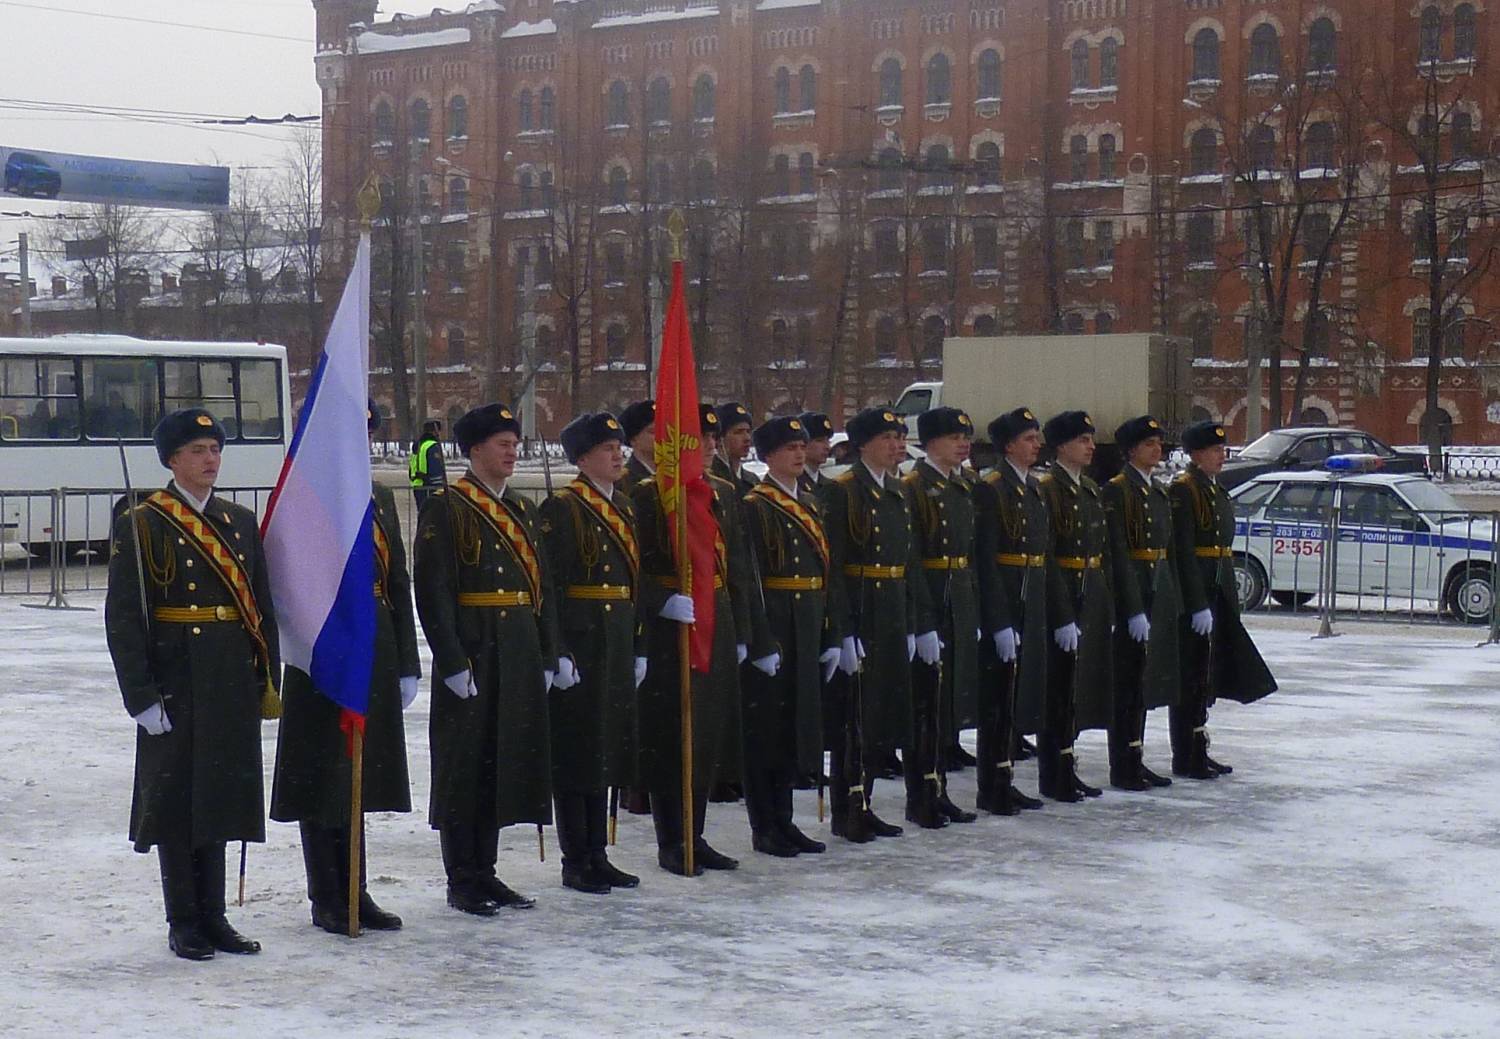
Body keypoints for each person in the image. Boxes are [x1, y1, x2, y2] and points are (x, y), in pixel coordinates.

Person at [104, 407, 279, 961]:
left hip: (228, 674)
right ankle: (184, 919)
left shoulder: (238, 521)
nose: (210, 460)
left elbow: (261, 607)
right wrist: (140, 695)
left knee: (221, 796)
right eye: (198, 451)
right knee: (179, 803)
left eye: (215, 449)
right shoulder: (143, 520)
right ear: (173, 460)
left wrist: (263, 675)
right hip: (176, 676)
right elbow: (125, 616)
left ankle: (216, 916)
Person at [269, 400, 416, 935]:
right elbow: (285, 582)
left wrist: (405, 660)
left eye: (367, 434)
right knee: (322, 773)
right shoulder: (302, 496)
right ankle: (326, 894)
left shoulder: (377, 496)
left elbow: (396, 580)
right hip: (321, 648)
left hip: (371, 645)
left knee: (359, 774)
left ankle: (356, 887)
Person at [413, 403, 565, 915]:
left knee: (501, 758)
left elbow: (542, 585)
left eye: (515, 443)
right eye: (502, 443)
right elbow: (433, 590)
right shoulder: (449, 507)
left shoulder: (521, 510)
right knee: (465, 762)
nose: (512, 452)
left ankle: (488, 871)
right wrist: (451, 659)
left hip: (517, 647)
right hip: (475, 647)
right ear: (475, 449)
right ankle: (462, 876)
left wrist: (548, 650)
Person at [632, 404, 758, 875]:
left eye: (711, 440)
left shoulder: (721, 492)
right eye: (697, 440)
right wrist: (662, 598)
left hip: (716, 617)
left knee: (706, 733)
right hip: (673, 626)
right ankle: (673, 838)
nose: (707, 447)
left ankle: (696, 832)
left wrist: (742, 628)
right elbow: (636, 566)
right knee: (674, 733)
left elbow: (738, 569)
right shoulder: (649, 496)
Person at [539, 412, 645, 894]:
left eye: (619, 447)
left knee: (606, 747)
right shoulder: (564, 507)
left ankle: (598, 852)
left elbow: (634, 583)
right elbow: (553, 585)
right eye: (607, 449)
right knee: (578, 752)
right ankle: (576, 856)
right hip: (582, 643)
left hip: (617, 638)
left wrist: (639, 642)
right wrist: (557, 650)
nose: (618, 455)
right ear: (582, 458)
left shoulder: (622, 505)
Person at [821, 406, 936, 842]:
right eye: (888, 437)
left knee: (882, 712)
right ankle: (847, 806)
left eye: (900, 436)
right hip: (863, 610)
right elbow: (835, 565)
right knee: (856, 715)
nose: (897, 445)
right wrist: (844, 629)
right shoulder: (844, 491)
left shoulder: (898, 491)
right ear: (864, 444)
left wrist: (915, 621)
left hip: (892, 611)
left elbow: (907, 561)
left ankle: (863, 801)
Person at [739, 416, 836, 857]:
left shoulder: (812, 502)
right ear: (768, 456)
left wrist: (832, 630)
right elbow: (751, 577)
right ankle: (766, 824)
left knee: (797, 723)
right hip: (776, 621)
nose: (800, 454)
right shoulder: (756, 505)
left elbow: (826, 572)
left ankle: (786, 821)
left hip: (809, 618)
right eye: (789, 448)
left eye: (802, 446)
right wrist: (758, 637)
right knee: (767, 731)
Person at [1169, 420, 1278, 778]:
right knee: (1191, 674)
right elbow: (1184, 550)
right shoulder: (1184, 491)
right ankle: (1186, 753)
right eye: (1215, 450)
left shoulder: (1213, 490)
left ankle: (1200, 746)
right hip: (1198, 590)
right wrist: (1196, 601)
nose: (1222, 455)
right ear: (1197, 454)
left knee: (1209, 672)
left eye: (1222, 449)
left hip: (1218, 588)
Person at [901, 407, 981, 829]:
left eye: (965, 436)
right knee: (924, 705)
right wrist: (922, 621)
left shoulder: (963, 484)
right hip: (931, 596)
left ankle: (939, 786)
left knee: (946, 701)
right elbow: (911, 558)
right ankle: (921, 794)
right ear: (931, 442)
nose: (963, 443)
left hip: (959, 597)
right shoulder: (913, 486)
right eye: (954, 437)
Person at [973, 408, 1050, 815]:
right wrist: (998, 620)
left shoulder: (1032, 487)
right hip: (1006, 599)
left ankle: (1006, 776)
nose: (1036, 445)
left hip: (1030, 599)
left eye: (1037, 438)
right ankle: (992, 783)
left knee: (1017, 695)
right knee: (997, 698)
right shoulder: (992, 488)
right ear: (1008, 446)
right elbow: (986, 558)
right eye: (1028, 439)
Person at [1036, 411, 1112, 802]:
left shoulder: (1088, 488)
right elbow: (1047, 553)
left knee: (1077, 684)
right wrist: (1062, 611)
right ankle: (1054, 771)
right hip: (1063, 590)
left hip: (1088, 589)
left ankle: (1067, 763)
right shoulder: (1047, 489)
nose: (1091, 446)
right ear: (1062, 445)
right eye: (1083, 439)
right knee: (1058, 685)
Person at [1101, 416, 1180, 792]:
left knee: (1145, 682)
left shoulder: (1157, 491)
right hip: (1134, 589)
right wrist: (1130, 607)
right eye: (1149, 444)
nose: (1157, 449)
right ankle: (1124, 762)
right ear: (1132, 450)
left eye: (1159, 443)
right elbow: (1118, 552)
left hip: (1156, 589)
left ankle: (1137, 755)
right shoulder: (1118, 491)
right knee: (1127, 683)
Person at [713, 402, 758, 497]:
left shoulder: (753, 481)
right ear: (720, 438)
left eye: (748, 431)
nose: (747, 438)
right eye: (738, 432)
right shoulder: (711, 480)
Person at [617, 399, 656, 496]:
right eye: (652, 432)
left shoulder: (675, 477)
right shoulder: (621, 482)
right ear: (634, 439)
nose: (661, 436)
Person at [409, 419, 447, 509]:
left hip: (418, 485)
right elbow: (436, 468)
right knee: (432, 516)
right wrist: (441, 487)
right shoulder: (432, 446)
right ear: (435, 431)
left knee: (422, 515)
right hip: (429, 486)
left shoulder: (418, 444)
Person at [797, 411, 834, 496]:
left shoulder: (831, 486)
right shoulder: (792, 483)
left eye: (828, 441)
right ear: (803, 444)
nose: (828, 447)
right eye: (819, 440)